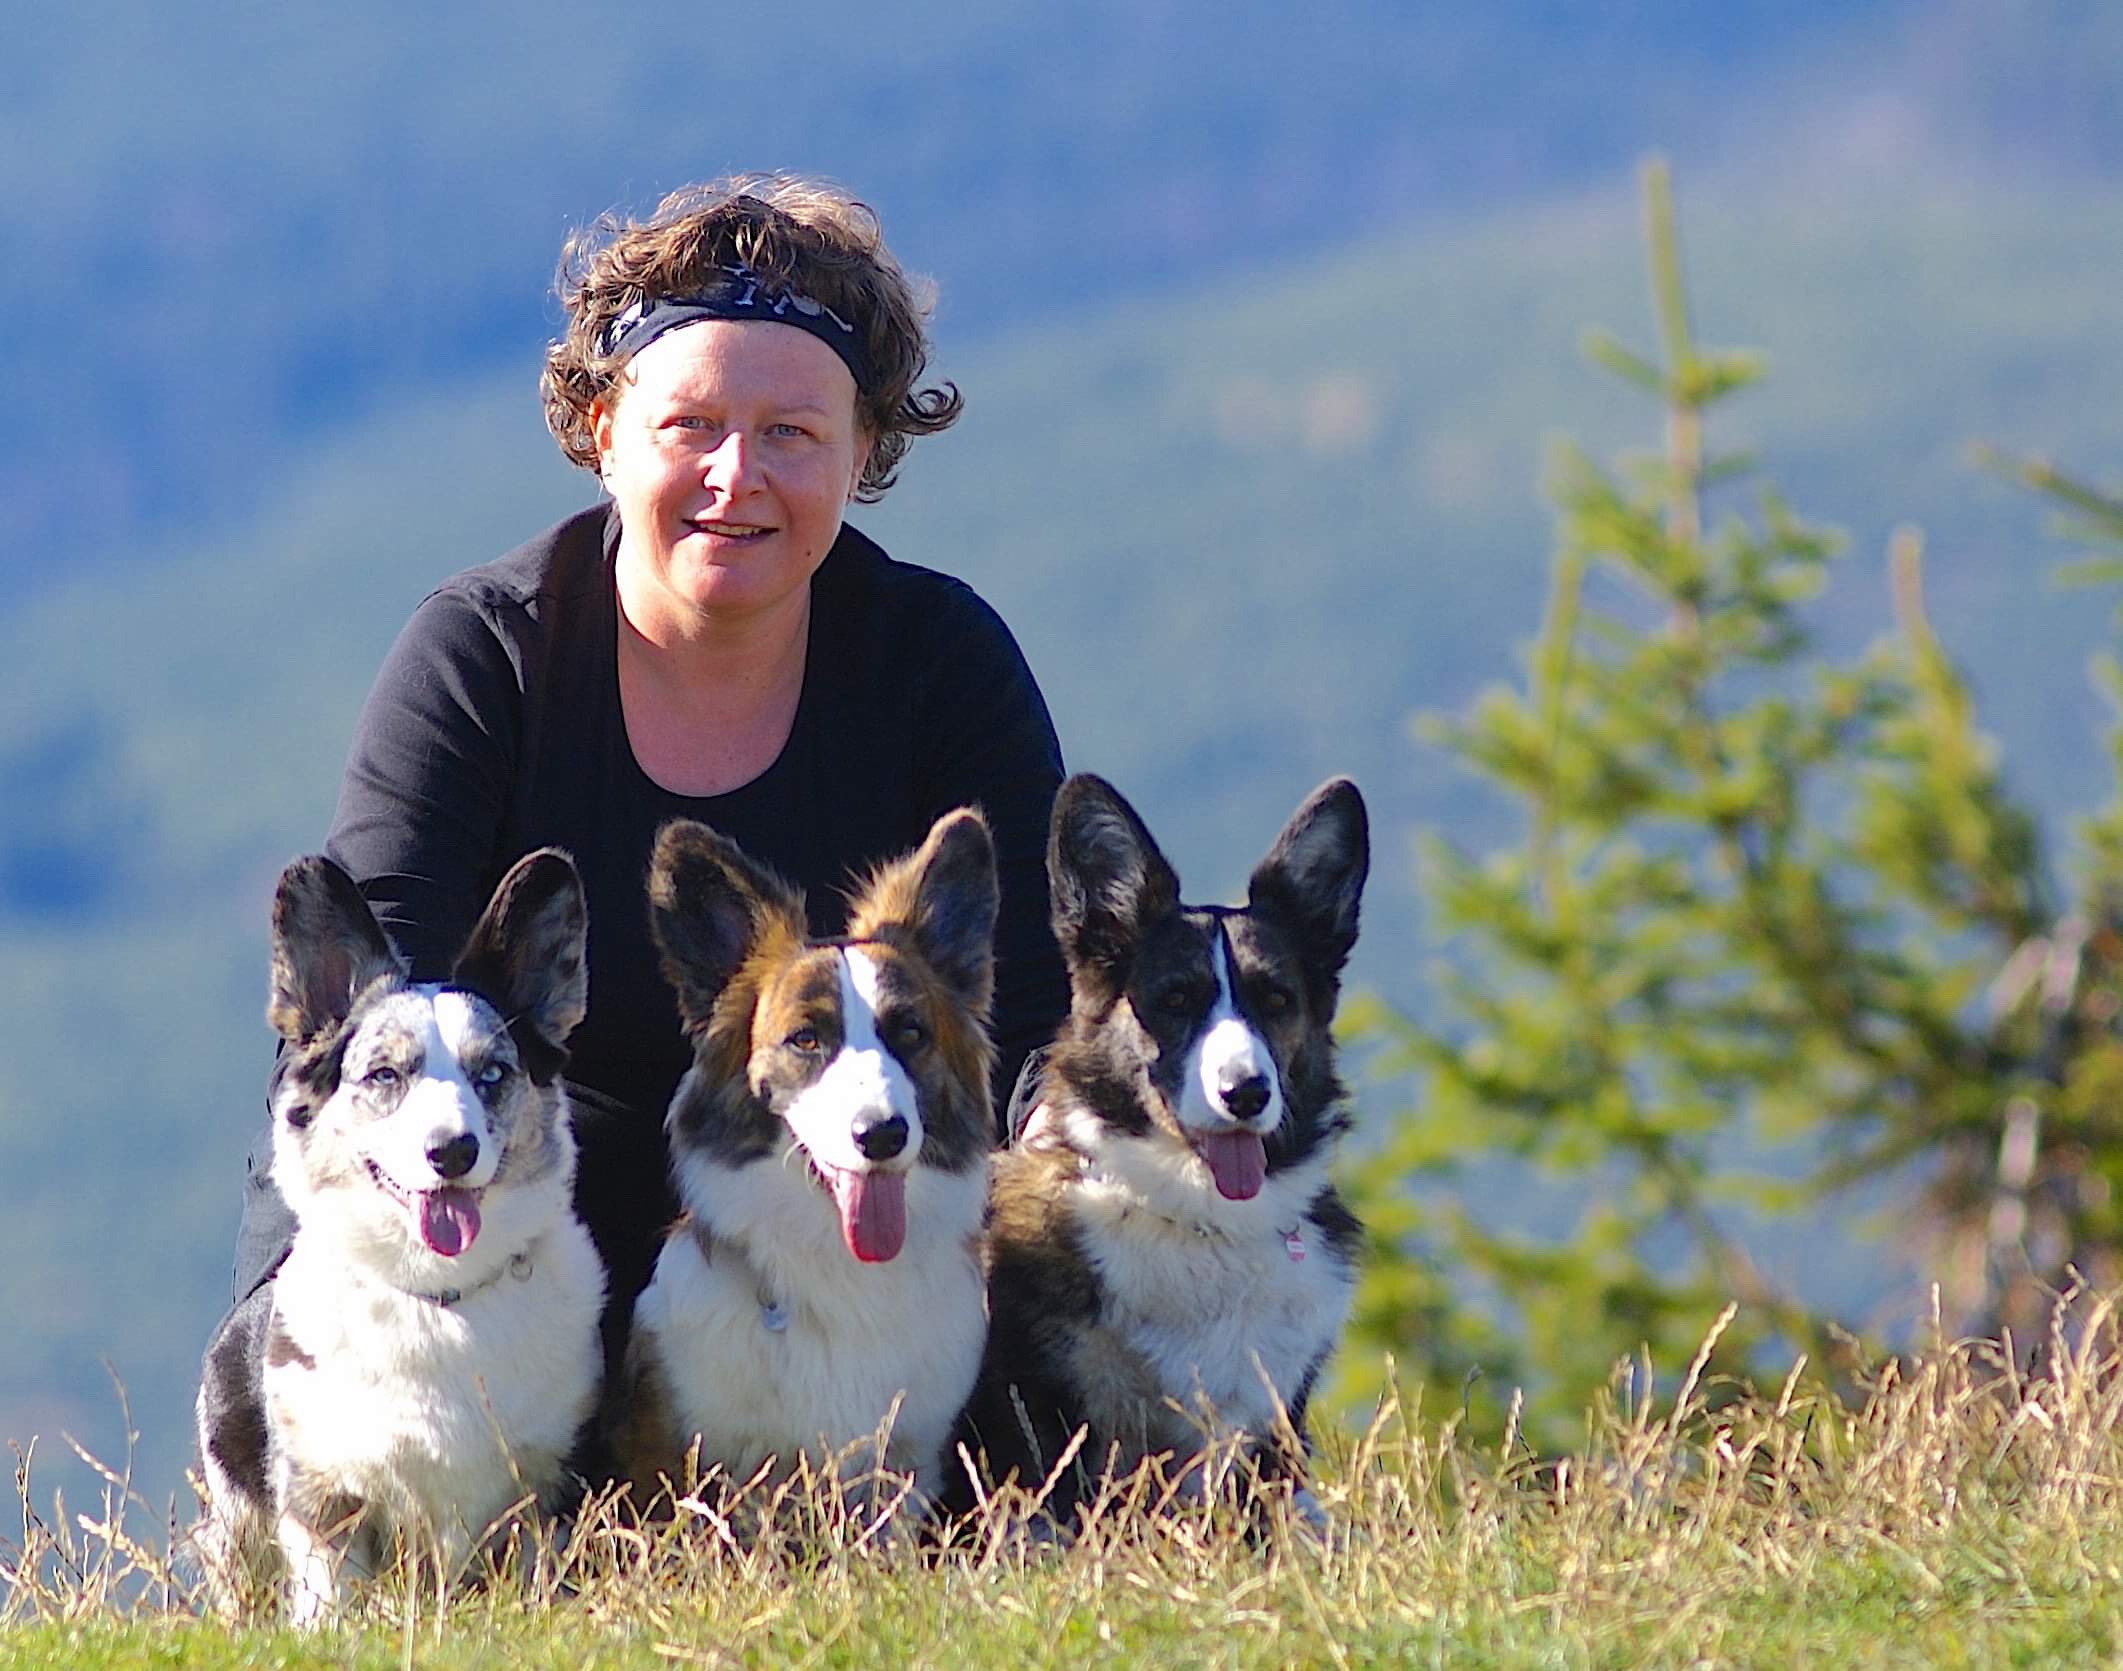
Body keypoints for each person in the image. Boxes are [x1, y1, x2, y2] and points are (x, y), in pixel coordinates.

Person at [231, 174, 1070, 1359]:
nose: (738, 476)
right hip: (529, 1284)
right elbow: (362, 1035)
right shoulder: (483, 658)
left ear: (864, 448)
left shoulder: (939, 662)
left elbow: (1040, 1031)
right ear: (600, 433)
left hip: (874, 1293)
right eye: (690, 427)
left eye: (792, 432)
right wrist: (309, 1378)